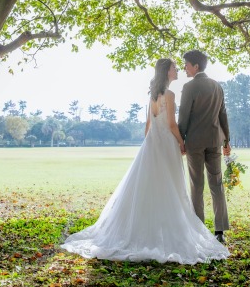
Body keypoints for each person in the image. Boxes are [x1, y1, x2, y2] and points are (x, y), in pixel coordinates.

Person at [61, 58, 229, 263]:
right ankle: (189, 227)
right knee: (172, 185)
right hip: (169, 143)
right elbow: (172, 124)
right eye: (175, 68)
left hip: (153, 143)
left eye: (180, 67)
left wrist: (150, 143)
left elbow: (149, 124)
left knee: (151, 185)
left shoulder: (153, 95)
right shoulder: (171, 94)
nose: (178, 70)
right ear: (167, 72)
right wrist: (180, 142)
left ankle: (148, 227)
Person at [178, 50, 231, 244]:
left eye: (186, 65)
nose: (184, 68)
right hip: (214, 141)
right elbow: (223, 115)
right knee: (217, 184)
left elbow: (183, 117)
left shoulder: (189, 87)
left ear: (196, 66)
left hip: (194, 142)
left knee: (197, 185)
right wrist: (227, 141)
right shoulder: (217, 86)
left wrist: (180, 140)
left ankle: (198, 229)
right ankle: (220, 231)